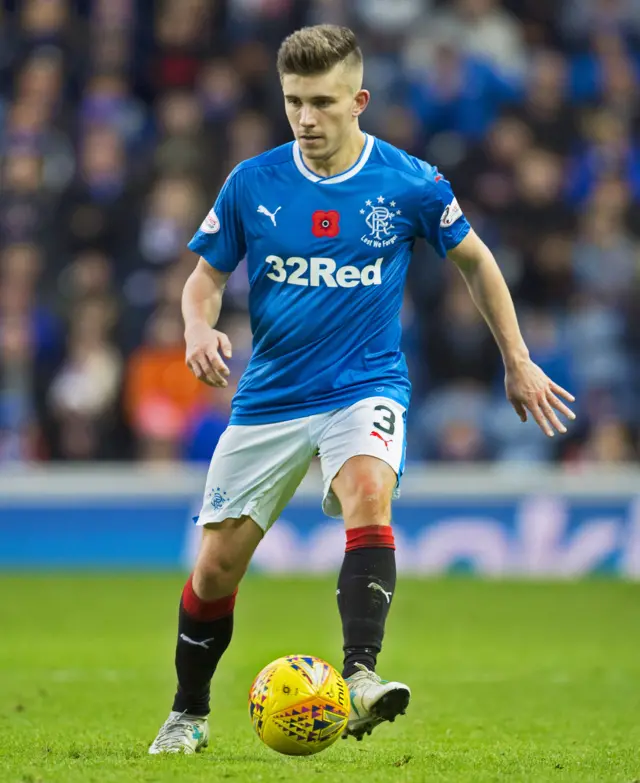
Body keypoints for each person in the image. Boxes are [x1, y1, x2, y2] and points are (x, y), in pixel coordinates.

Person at [149, 24, 576, 754]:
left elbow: (477, 262)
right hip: (272, 397)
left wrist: (518, 359)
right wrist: (197, 328)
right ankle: (188, 712)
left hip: (365, 383)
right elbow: (205, 278)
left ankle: (362, 676)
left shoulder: (410, 182)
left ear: (359, 100)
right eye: (293, 102)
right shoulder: (253, 182)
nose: (306, 119)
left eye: (321, 102)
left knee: (370, 490)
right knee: (216, 569)